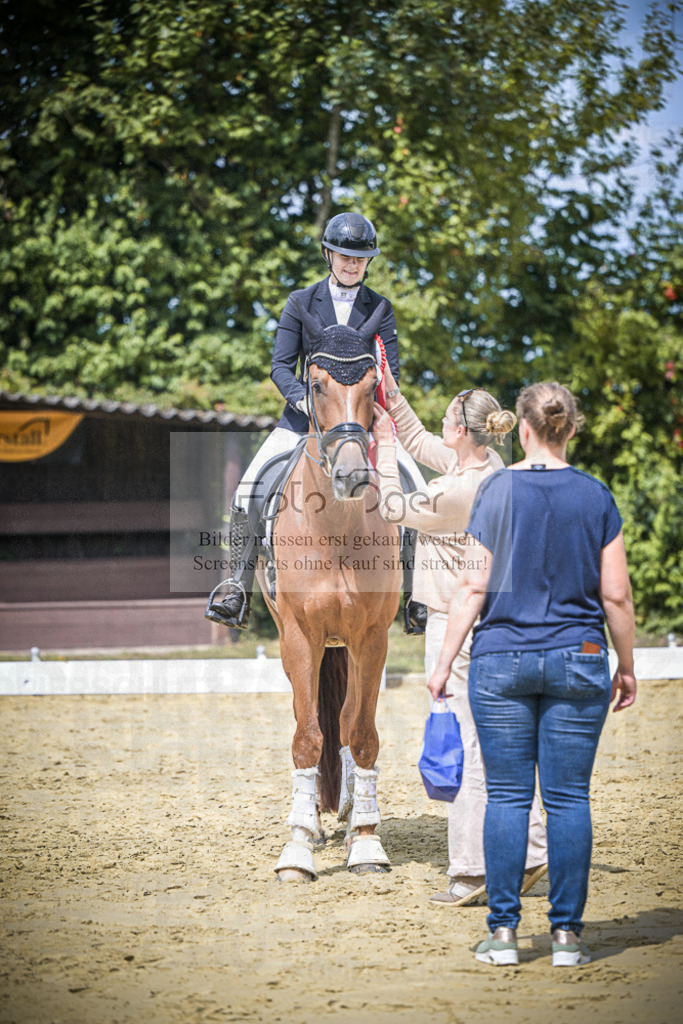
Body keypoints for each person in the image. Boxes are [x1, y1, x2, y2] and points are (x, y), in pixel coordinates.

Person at [428, 381, 637, 967]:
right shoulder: (596, 497)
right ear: (570, 427)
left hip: (500, 661)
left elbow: (472, 586)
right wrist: (626, 666)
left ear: (521, 428)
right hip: (581, 657)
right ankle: (567, 937)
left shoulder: (496, 490)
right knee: (569, 799)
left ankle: (503, 934)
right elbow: (616, 597)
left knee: (508, 797)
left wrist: (444, 663)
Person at [372, 371, 548, 906]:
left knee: (465, 745)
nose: (441, 428)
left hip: (457, 619)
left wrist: (382, 452)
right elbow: (423, 443)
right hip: (498, 615)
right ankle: (536, 850)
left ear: (461, 433)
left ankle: (471, 870)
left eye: (447, 420)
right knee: (503, 741)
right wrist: (391, 398)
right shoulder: (489, 465)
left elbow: (393, 508)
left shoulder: (455, 490)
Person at [205, 211, 428, 634]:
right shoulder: (301, 302)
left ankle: (415, 596)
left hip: (360, 424)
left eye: (360, 259)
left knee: (413, 483)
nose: (351, 265)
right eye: (344, 256)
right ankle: (235, 586)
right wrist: (302, 401)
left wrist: (377, 417)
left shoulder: (380, 308)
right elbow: (280, 366)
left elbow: (389, 369)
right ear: (329, 255)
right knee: (247, 488)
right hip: (303, 421)